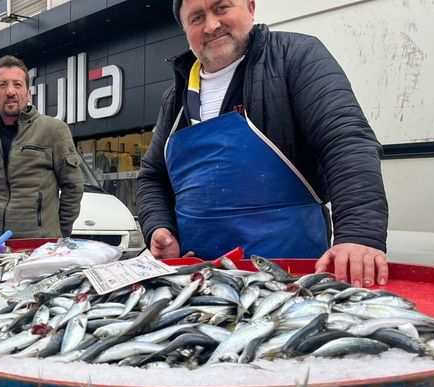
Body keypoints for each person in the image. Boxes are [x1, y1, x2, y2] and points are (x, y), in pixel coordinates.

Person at [137, 0, 389, 288]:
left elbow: (346, 141)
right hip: (199, 281)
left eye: (221, 8)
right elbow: (153, 177)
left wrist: (358, 234)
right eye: (196, 18)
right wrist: (159, 227)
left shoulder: (295, 56)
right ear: (185, 29)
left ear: (250, 7)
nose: (211, 26)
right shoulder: (176, 97)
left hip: (290, 277)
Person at [0, 55, 84, 240]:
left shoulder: (53, 130)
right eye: (2, 85)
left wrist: (58, 234)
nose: (10, 91)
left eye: (17, 84)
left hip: (38, 244)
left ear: (28, 94)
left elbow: (73, 187)